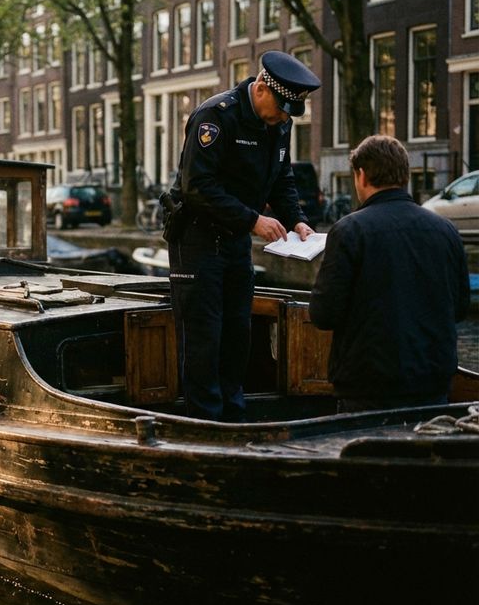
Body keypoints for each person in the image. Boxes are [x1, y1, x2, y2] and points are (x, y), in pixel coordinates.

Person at [167, 51, 321, 421]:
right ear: (262, 88)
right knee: (204, 337)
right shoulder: (216, 117)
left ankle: (234, 417)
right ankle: (203, 424)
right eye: (283, 108)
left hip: (235, 241)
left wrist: (297, 220)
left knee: (238, 332)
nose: (284, 118)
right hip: (197, 240)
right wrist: (253, 220)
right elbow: (197, 187)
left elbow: (281, 180)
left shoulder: (278, 124)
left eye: (290, 112)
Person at [309, 135, 470, 411]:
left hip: (368, 385)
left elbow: (324, 314)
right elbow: (459, 308)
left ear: (361, 175)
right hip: (432, 381)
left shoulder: (349, 231)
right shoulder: (447, 231)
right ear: (405, 176)